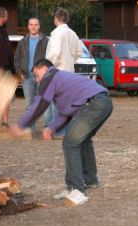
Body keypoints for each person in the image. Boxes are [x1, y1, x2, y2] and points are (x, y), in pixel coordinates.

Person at [9, 59, 113, 203]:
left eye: (37, 75)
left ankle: (76, 189)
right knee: (83, 141)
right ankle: (90, 181)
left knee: (70, 144)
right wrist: (51, 128)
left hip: (93, 104)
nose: (37, 80)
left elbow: (39, 104)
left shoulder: (51, 76)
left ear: (44, 68)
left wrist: (20, 125)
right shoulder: (62, 81)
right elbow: (66, 113)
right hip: (104, 103)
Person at [45, 7, 82, 138]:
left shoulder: (56, 33)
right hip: (70, 73)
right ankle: (64, 129)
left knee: (56, 104)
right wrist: (70, 61)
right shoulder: (73, 34)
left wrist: (48, 67)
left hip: (58, 72)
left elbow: (54, 53)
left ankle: (58, 130)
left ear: (56, 18)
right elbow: (79, 52)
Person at [14, 17, 49, 133]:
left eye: (36, 25)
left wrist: (45, 74)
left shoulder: (46, 41)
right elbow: (17, 59)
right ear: (28, 26)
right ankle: (30, 128)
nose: (33, 27)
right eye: (31, 24)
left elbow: (49, 58)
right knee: (30, 105)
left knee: (44, 103)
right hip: (27, 76)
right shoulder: (22, 42)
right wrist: (20, 73)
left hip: (42, 77)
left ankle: (48, 127)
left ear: (39, 26)